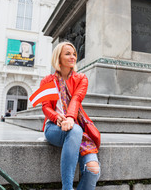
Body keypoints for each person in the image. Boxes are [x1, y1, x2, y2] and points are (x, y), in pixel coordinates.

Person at [40, 41, 100, 190]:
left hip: (76, 124)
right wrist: (57, 117)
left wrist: (70, 118)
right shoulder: (47, 80)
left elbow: (76, 99)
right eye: (67, 54)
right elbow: (46, 106)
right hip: (54, 127)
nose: (73, 57)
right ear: (58, 58)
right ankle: (67, 187)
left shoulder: (81, 79)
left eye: (74, 54)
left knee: (93, 170)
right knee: (75, 131)